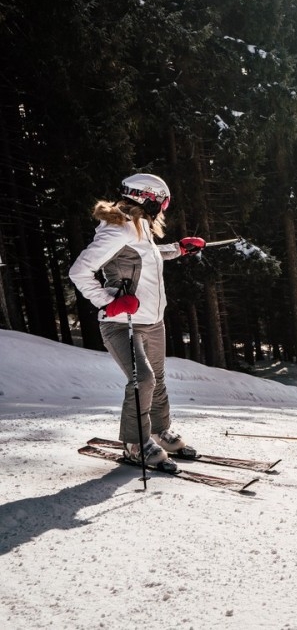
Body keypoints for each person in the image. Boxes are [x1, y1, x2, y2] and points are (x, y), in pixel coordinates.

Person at [69, 173, 205, 471]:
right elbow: (79, 271)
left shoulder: (139, 226)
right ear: (149, 197)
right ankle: (134, 443)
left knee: (157, 380)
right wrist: (110, 301)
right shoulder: (116, 230)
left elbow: (149, 258)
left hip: (153, 321)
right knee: (142, 380)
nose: (163, 208)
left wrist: (180, 248)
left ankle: (159, 431)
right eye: (163, 202)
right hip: (123, 321)